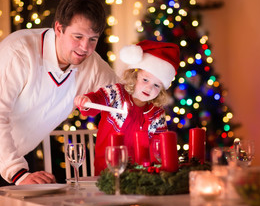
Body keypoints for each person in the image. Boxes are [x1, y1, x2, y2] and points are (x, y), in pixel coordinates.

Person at [0, 0, 118, 187]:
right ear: (59, 28)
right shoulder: (19, 51)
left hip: (20, 152)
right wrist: (17, 173)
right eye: (78, 36)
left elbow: (122, 99)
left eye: (93, 39)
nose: (85, 47)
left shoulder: (91, 65)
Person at [74, 40, 180, 175]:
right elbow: (97, 100)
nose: (149, 88)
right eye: (145, 80)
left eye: (157, 85)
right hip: (108, 167)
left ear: (162, 90)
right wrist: (87, 101)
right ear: (135, 76)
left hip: (140, 172)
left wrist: (157, 171)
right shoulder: (117, 92)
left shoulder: (156, 113)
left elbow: (158, 146)